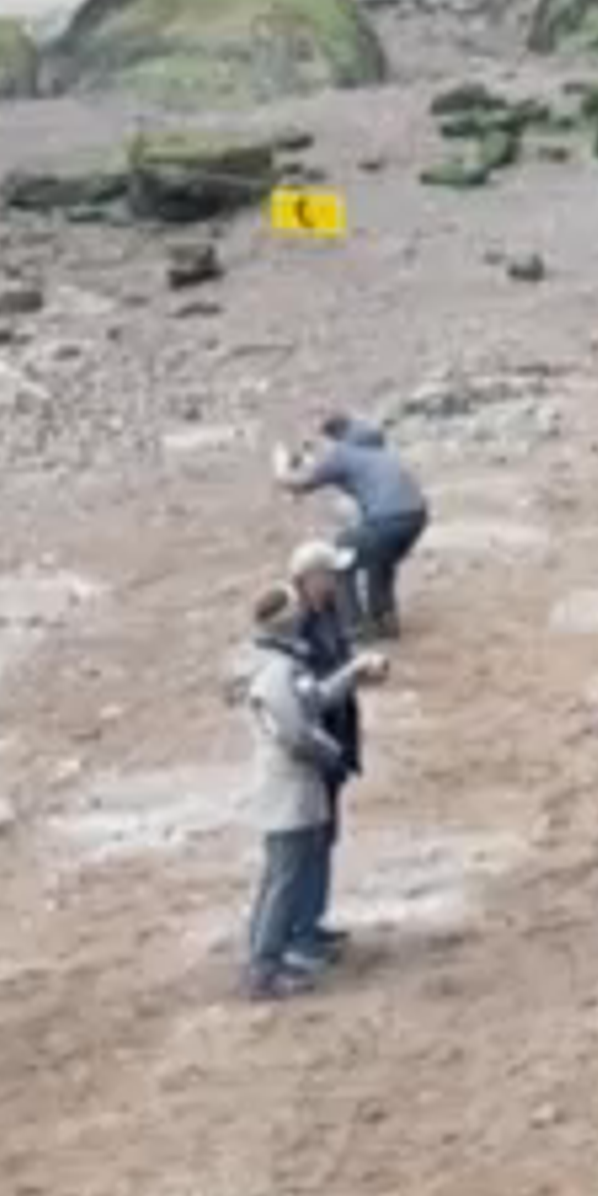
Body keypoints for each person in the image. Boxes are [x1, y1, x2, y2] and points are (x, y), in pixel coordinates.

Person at [235, 588, 346, 997]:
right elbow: (298, 733)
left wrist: (352, 674)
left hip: (285, 788)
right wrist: (332, 752)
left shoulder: (275, 665)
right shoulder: (278, 672)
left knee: (279, 877)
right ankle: (264, 968)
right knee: (284, 881)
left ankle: (264, 959)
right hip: (289, 789)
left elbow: (315, 697)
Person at [278, 534, 376, 962]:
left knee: (324, 838)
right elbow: (306, 697)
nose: (337, 581)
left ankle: (311, 923)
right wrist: (352, 674)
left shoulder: (328, 613)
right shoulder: (295, 627)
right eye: (330, 575)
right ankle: (298, 934)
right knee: (306, 845)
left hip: (334, 743)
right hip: (315, 749)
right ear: (309, 579)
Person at [276, 410, 426, 642]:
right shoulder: (374, 447)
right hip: (416, 515)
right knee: (379, 559)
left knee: (341, 555)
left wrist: (280, 469)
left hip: (390, 517)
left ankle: (354, 628)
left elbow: (300, 484)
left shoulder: (342, 454)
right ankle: (385, 621)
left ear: (331, 437)